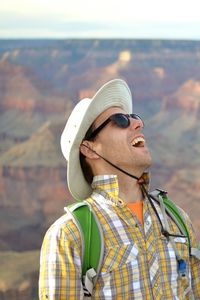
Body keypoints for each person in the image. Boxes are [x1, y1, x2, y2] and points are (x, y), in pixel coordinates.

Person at [39, 79, 200, 299]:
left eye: (134, 117)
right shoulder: (70, 235)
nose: (137, 124)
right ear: (90, 149)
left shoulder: (176, 218)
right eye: (120, 120)